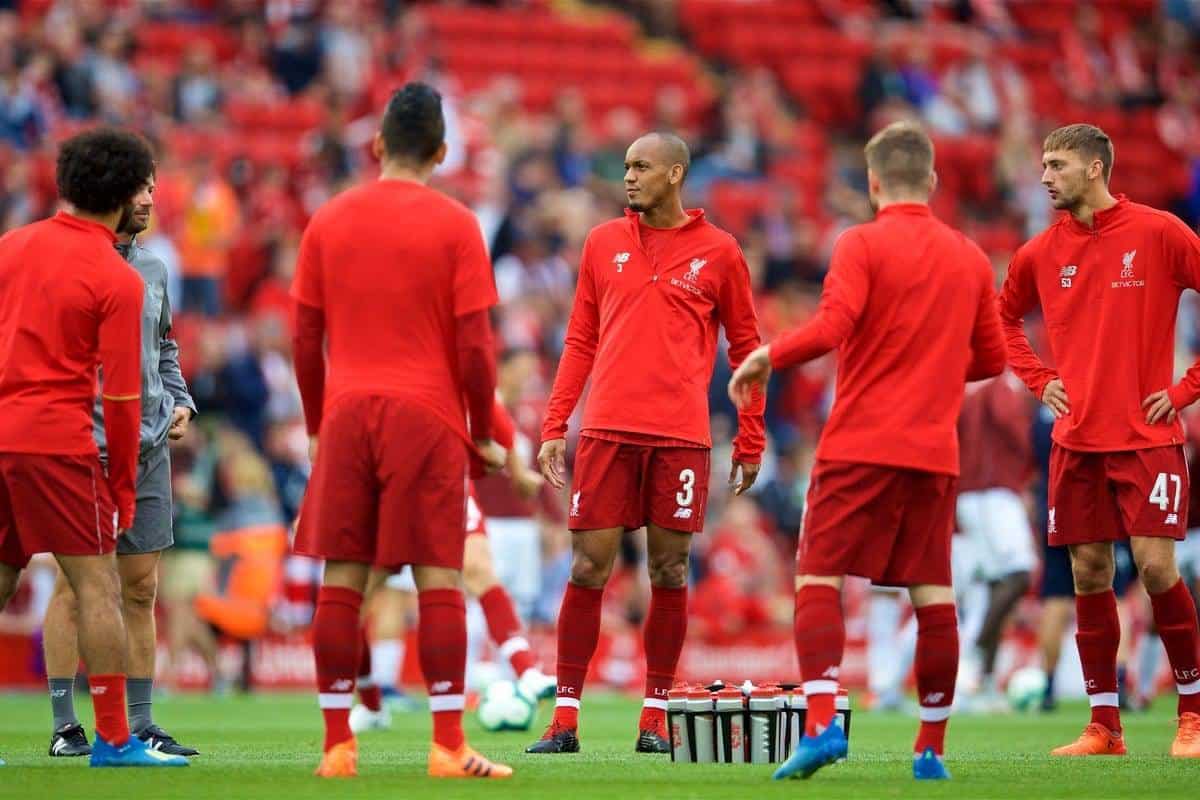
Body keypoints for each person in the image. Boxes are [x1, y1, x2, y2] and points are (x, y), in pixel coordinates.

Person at [729, 120, 1006, 781]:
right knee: (933, 592)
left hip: (859, 444)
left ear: (874, 182)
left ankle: (822, 726)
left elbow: (833, 326)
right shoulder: (969, 255)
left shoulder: (860, 242)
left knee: (818, 577)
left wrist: (769, 354)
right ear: (933, 181)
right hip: (934, 453)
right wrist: (931, 374)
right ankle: (930, 748)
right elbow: (993, 357)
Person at [289, 82, 512, 780]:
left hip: (347, 410)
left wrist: (316, 423)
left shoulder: (328, 218)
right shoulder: (456, 225)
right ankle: (447, 747)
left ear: (378, 144)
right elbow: (476, 347)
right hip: (427, 414)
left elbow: (303, 338)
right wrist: (484, 429)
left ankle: (337, 748)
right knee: (439, 576)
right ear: (442, 152)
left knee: (342, 581)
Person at [529, 132, 766, 755]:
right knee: (588, 568)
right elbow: (580, 338)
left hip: (681, 438)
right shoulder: (603, 242)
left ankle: (654, 720)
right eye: (626, 166)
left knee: (669, 569)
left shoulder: (721, 252)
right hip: (606, 430)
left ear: (676, 173)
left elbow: (747, 351)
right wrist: (556, 425)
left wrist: (750, 436)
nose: (629, 177)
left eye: (642, 167)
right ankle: (564, 721)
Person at [998, 123, 1200, 758]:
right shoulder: (1038, 252)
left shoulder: (1160, 233)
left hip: (1147, 437)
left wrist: (1188, 387)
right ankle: (1104, 726)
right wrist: (1038, 378)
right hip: (1076, 441)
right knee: (1088, 574)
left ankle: (1192, 717)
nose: (1045, 176)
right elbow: (1001, 318)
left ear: (1094, 168)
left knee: (1156, 566)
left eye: (1056, 165)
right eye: (1043, 164)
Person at [0, 128, 188, 768]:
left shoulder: (10, 247)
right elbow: (125, 400)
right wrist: (127, 490)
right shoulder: (116, 274)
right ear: (120, 192)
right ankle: (113, 740)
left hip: (4, 435)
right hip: (62, 441)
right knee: (98, 587)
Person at [41, 171, 199, 759]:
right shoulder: (66, 262)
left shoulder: (155, 268)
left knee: (141, 587)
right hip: (84, 444)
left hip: (149, 448)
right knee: (77, 584)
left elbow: (164, 348)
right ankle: (65, 723)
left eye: (155, 186)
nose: (152, 198)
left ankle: (141, 722)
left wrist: (181, 399)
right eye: (141, 188)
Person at [349, 396, 556, 734]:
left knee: (478, 569)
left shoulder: (450, 358)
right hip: (387, 478)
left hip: (446, 471)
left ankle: (526, 672)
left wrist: (516, 468)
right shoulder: (381, 368)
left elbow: (484, 398)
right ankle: (372, 702)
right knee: (357, 599)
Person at [954, 371, 1037, 711]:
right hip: (994, 492)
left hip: (971, 493)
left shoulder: (965, 387)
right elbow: (1010, 425)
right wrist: (1027, 465)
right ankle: (972, 658)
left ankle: (982, 680)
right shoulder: (997, 385)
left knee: (991, 586)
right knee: (1020, 572)